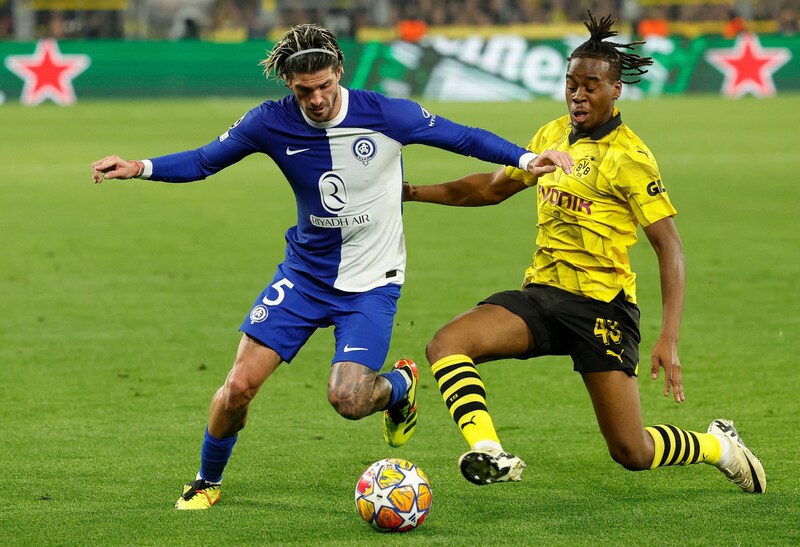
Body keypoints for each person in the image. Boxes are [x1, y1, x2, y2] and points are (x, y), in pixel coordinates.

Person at [90, 23, 573, 510]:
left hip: (371, 283)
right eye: (305, 91)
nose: (317, 99)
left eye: (324, 86)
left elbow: (462, 137)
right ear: (288, 84)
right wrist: (139, 167)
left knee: (349, 400)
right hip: (303, 277)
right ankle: (205, 480)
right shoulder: (268, 122)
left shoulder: (387, 114)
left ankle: (400, 385)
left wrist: (527, 157)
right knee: (238, 387)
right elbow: (203, 161)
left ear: (339, 72)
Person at [404, 12, 766, 493]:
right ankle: (489, 451)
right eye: (571, 83)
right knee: (447, 345)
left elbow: (670, 247)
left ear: (616, 90)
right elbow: (490, 189)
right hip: (542, 295)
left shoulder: (630, 158)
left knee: (631, 452)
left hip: (602, 308)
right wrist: (410, 192)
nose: (578, 94)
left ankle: (720, 446)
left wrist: (669, 339)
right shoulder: (550, 135)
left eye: (590, 85)